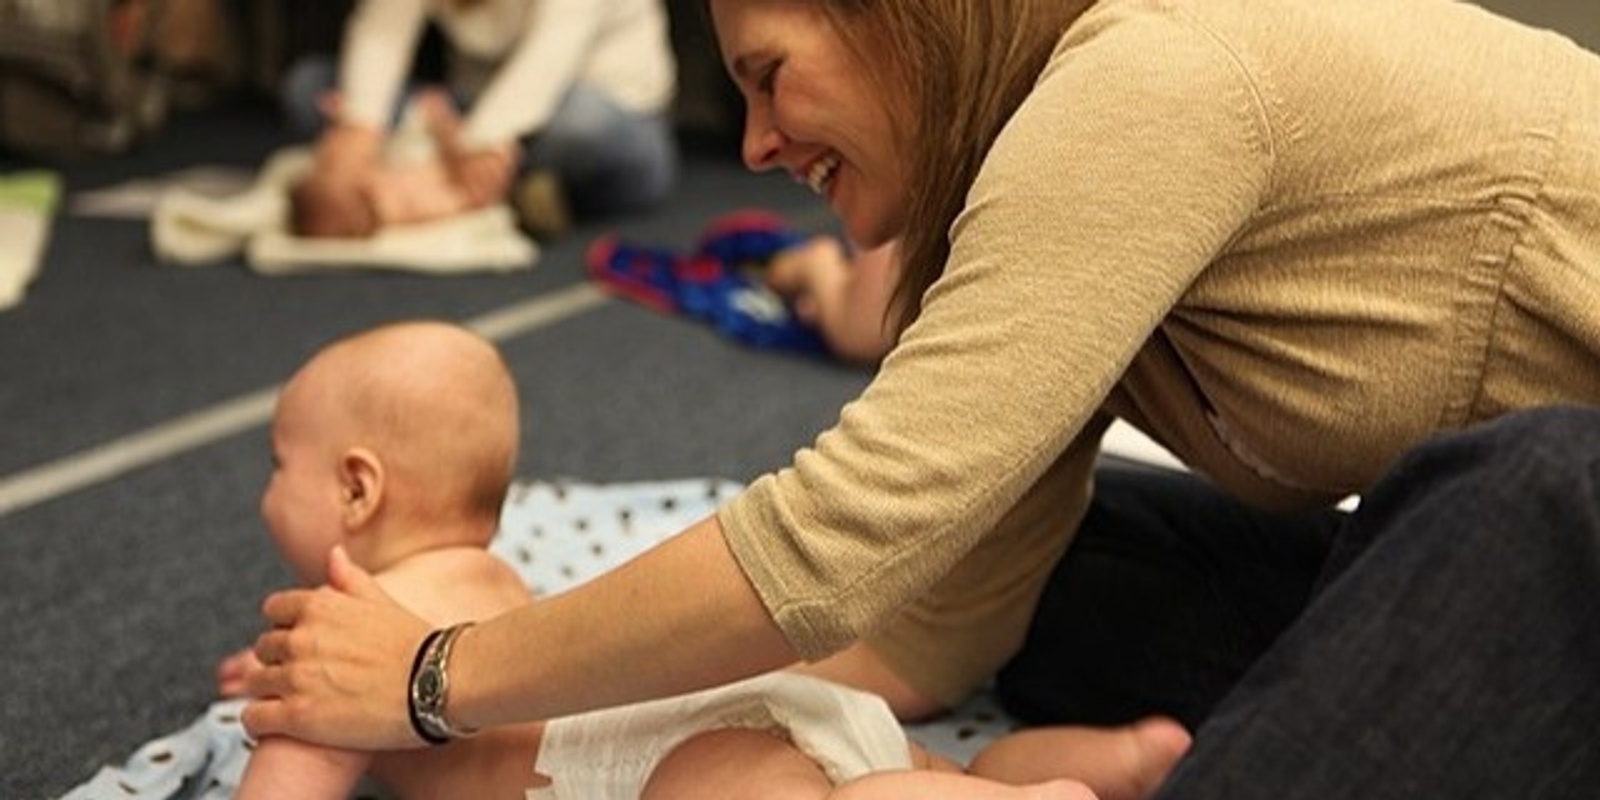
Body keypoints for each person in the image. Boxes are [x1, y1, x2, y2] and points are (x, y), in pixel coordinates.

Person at [240, 0, 1600, 795]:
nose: (759, 143)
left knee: (1528, 489)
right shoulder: (1024, 175)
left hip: (1557, 535)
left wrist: (431, 679)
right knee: (1072, 543)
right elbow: (933, 621)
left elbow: (831, 546)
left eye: (770, 76)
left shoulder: (1146, 84)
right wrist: (594, 722)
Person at [226, 318, 1191, 799]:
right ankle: (1090, 767)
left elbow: (306, 749)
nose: (264, 490)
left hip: (655, 764)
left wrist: (291, 708)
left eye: (279, 465)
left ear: (358, 488)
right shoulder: (484, 585)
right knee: (905, 767)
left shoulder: (362, 614)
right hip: (727, 704)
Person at [282, 0, 679, 238]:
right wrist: (359, 128)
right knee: (309, 87)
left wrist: (474, 141)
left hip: (598, 110)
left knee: (581, 123)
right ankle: (502, 188)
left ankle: (427, 178)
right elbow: (381, 34)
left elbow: (550, 53)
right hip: (472, 110)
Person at [286, 90, 486, 239]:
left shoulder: (358, 179)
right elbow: (464, 194)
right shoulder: (398, 206)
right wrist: (444, 129)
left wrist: (344, 121)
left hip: (409, 129)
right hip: (454, 149)